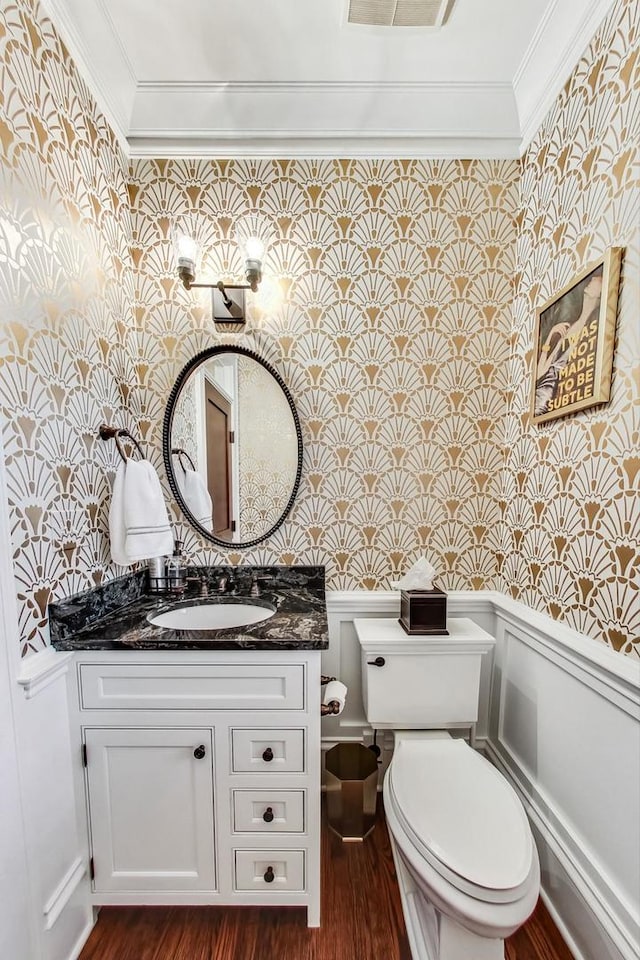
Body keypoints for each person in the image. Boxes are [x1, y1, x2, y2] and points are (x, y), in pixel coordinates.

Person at [534, 268, 603, 417]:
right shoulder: (570, 327)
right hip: (542, 398)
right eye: (594, 278)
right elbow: (541, 372)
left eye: (599, 280)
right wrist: (550, 336)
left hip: (552, 399)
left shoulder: (592, 330)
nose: (594, 279)